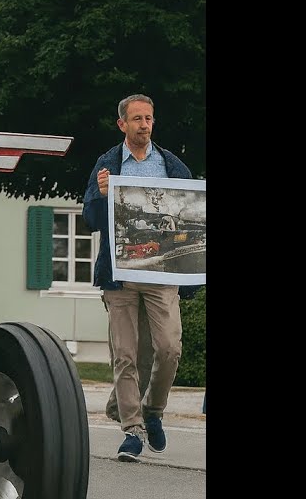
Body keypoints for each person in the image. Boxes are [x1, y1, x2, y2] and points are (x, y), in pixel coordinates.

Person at [83, 93, 193, 462]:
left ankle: (153, 411)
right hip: (120, 276)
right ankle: (132, 430)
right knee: (125, 354)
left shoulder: (172, 165)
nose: (144, 125)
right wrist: (100, 196)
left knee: (169, 348)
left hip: (163, 274)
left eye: (149, 119)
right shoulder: (107, 164)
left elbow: (189, 217)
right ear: (122, 125)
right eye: (137, 119)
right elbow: (91, 219)